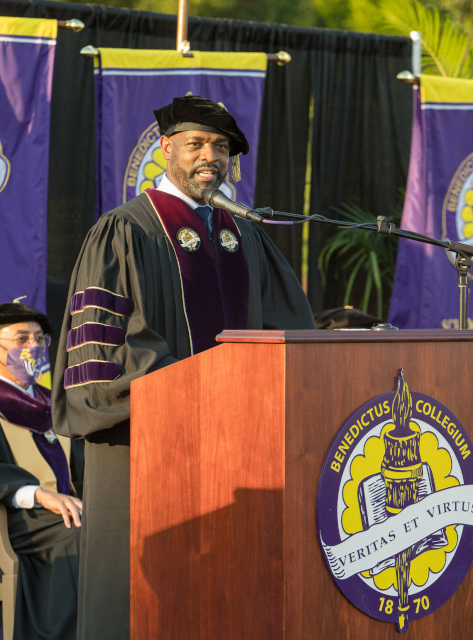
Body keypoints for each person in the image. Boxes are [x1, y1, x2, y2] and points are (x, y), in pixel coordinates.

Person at [52, 94, 316, 639]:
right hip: (142, 441)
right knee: (138, 598)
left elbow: (288, 330)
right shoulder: (125, 230)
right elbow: (99, 349)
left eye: (220, 147)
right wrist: (188, 391)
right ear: (166, 148)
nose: (209, 156)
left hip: (238, 444)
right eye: (196, 143)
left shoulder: (245, 234)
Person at [0, 302, 82, 640]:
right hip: (7, 516)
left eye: (39, 339)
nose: (34, 346)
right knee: (77, 534)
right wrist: (37, 494)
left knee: (114, 527)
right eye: (21, 339)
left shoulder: (56, 405)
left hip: (66, 508)